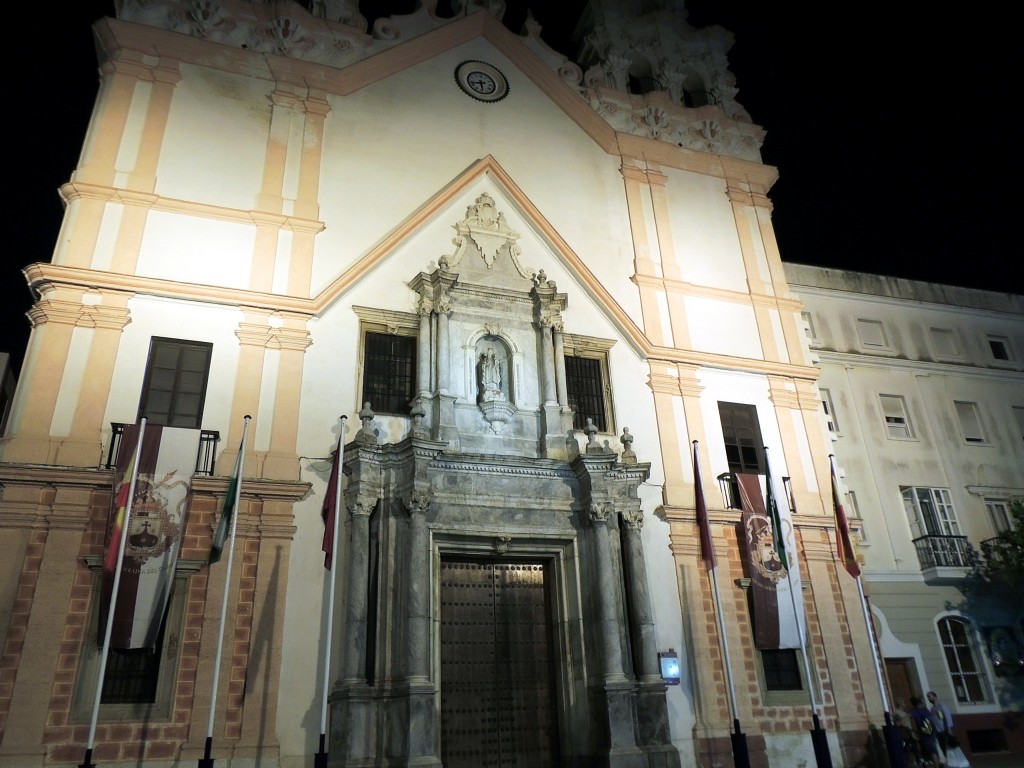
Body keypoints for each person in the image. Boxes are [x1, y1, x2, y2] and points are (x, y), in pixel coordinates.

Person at [909, 695, 943, 767]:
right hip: (932, 730)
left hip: (924, 731)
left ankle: (936, 765)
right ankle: (937, 763)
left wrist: (916, 733)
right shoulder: (925, 709)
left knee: (930, 749)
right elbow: (934, 718)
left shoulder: (913, 711)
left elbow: (913, 723)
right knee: (933, 747)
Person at [928, 690, 954, 756]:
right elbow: (938, 718)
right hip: (938, 732)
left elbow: (947, 717)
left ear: (935, 697)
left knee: (949, 748)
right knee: (943, 748)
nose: (929, 699)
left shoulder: (941, 706)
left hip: (945, 731)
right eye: (928, 697)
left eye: (930, 697)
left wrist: (949, 729)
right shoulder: (933, 708)